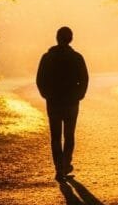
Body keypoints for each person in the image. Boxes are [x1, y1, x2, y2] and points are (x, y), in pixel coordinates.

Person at [36, 26, 89, 181]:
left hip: (53, 102)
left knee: (55, 137)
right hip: (72, 102)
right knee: (69, 135)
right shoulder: (77, 57)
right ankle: (66, 165)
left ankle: (59, 169)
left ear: (57, 38)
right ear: (71, 39)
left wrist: (46, 95)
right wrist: (79, 95)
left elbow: (40, 79)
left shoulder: (47, 57)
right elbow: (84, 79)